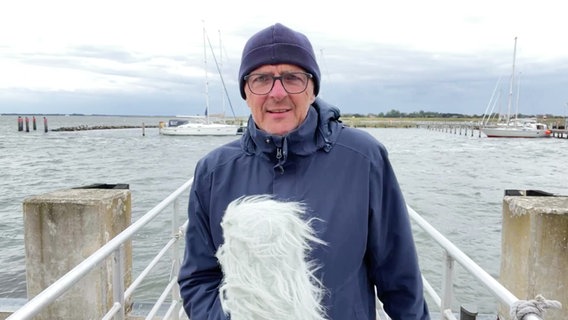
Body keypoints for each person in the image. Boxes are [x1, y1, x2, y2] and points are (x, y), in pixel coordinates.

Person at [178, 23, 430, 319]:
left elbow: (399, 276)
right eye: (261, 79)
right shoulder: (213, 171)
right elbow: (199, 278)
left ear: (312, 88)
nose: (277, 93)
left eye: (292, 78)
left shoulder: (363, 158)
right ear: (246, 92)